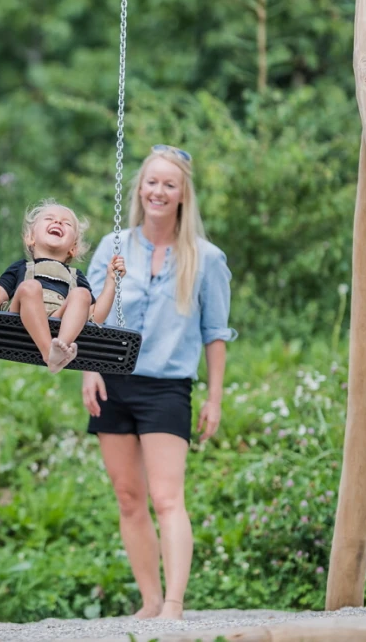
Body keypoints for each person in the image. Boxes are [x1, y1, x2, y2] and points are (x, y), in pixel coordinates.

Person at [83, 145, 236, 620]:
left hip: (167, 388)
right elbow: (85, 315)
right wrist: (88, 369)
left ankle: (174, 603)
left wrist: (214, 398)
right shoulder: (113, 247)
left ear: (183, 194)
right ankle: (150, 601)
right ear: (140, 189)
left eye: (170, 184)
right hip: (112, 382)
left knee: (167, 498)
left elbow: (215, 333)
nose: (159, 191)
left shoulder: (206, 258)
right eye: (152, 182)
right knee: (129, 498)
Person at [0, 200, 126, 373]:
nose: (58, 222)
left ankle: (60, 347)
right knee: (30, 287)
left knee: (82, 294)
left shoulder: (76, 276)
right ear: (31, 238)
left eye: (67, 223)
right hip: (18, 318)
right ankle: (50, 355)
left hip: (58, 319)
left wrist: (111, 280)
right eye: (49, 218)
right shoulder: (21, 268)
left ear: (73, 248)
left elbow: (96, 316)